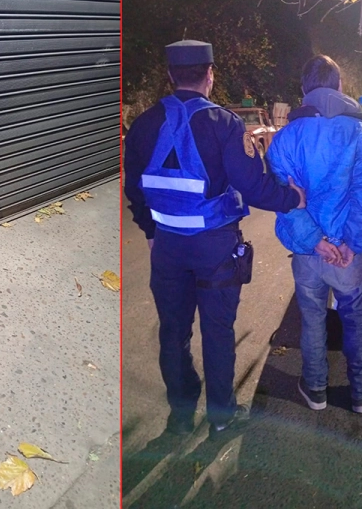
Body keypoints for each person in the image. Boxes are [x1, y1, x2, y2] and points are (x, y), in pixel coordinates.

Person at [124, 39, 306, 435]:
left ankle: (181, 414)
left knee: (173, 332)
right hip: (215, 248)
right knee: (217, 331)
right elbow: (254, 187)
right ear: (210, 75)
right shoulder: (224, 124)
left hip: (168, 248)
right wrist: (293, 198)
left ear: (171, 76)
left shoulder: (143, 124)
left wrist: (152, 231)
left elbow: (134, 189)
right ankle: (221, 417)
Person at [267, 54, 362, 414]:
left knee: (312, 317)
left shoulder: (284, 141)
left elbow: (285, 201)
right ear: (338, 86)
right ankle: (361, 391)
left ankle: (315, 389)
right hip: (347, 254)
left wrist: (316, 241)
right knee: (354, 318)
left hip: (308, 253)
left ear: (304, 91)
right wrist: (351, 243)